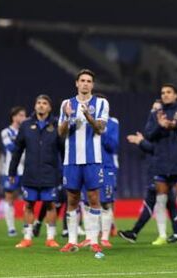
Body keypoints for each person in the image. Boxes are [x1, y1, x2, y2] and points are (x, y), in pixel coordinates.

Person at [57, 69, 109, 256]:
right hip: (71, 160)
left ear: (92, 85)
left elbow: (100, 128)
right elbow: (60, 133)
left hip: (93, 159)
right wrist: (69, 116)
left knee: (94, 198)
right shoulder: (66, 104)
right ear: (77, 83)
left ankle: (93, 241)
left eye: (89, 81)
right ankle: (71, 241)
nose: (86, 83)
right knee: (72, 199)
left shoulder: (101, 103)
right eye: (82, 80)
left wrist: (87, 115)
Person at [10, 94, 63, 248]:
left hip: (50, 173)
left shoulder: (56, 124)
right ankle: (27, 238)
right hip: (30, 173)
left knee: (50, 205)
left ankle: (50, 238)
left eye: (44, 103)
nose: (41, 105)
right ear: (35, 106)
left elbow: (63, 150)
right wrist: (12, 171)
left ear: (49, 107)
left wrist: (65, 171)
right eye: (38, 103)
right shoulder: (26, 125)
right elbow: (17, 150)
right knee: (28, 205)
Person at [143, 84, 177, 246]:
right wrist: (160, 125)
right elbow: (148, 134)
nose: (165, 95)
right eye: (163, 92)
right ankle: (162, 235)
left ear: (176, 95)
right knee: (161, 199)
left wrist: (174, 126)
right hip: (161, 161)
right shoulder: (156, 112)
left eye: (169, 92)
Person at [119, 132, 177, 242]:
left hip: (158, 174)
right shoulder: (165, 137)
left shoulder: (162, 138)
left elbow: (153, 149)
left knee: (151, 204)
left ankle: (134, 232)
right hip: (163, 172)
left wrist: (141, 142)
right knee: (170, 204)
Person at [1, 106, 28, 237]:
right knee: (9, 198)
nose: (23, 118)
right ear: (14, 117)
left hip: (26, 170)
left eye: (24, 115)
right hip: (10, 170)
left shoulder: (27, 131)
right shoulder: (6, 132)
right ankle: (11, 228)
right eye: (21, 115)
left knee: (28, 198)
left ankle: (26, 226)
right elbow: (10, 147)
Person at [96, 115, 120, 247]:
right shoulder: (86, 121)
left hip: (107, 166)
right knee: (90, 201)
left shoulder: (112, 122)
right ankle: (93, 235)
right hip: (90, 165)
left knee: (107, 200)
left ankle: (108, 230)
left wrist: (102, 131)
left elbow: (113, 146)